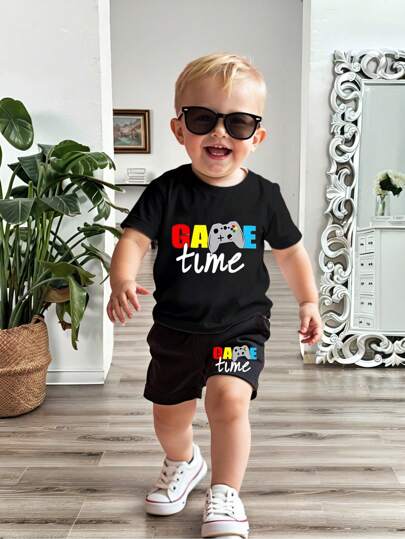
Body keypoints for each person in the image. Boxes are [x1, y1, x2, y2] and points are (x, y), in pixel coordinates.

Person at [107, 52, 323, 539]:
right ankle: (184, 462)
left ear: (256, 137)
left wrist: (308, 301)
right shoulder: (166, 191)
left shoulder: (264, 196)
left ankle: (225, 492)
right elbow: (133, 239)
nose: (220, 132)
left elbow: (290, 253)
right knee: (169, 417)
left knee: (229, 401)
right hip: (175, 329)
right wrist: (121, 279)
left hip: (239, 325)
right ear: (179, 129)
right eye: (203, 118)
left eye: (238, 122)